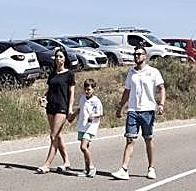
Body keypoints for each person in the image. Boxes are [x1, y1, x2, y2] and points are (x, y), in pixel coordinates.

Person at [112, 47, 165, 181]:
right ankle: (124, 169)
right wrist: (120, 107)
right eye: (135, 54)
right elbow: (127, 91)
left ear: (145, 56)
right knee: (130, 139)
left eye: (139, 54)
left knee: (148, 139)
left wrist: (161, 104)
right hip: (133, 110)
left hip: (148, 110)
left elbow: (161, 88)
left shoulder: (153, 72)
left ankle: (151, 168)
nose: (136, 56)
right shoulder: (131, 73)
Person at [36, 47, 75, 173]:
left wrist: (70, 108)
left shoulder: (69, 74)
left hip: (62, 107)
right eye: (57, 56)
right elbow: (49, 90)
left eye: (61, 56)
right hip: (51, 107)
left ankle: (47, 165)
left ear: (65, 59)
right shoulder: (52, 74)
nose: (58, 59)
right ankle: (66, 162)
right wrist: (44, 98)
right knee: (57, 136)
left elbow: (71, 93)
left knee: (53, 136)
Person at [70, 78, 103, 178]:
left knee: (83, 147)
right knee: (85, 148)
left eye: (89, 89)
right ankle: (87, 168)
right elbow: (80, 109)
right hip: (82, 125)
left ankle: (92, 167)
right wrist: (73, 115)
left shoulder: (96, 101)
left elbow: (100, 113)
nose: (87, 91)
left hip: (91, 127)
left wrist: (93, 116)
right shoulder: (82, 98)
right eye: (85, 89)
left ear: (94, 89)